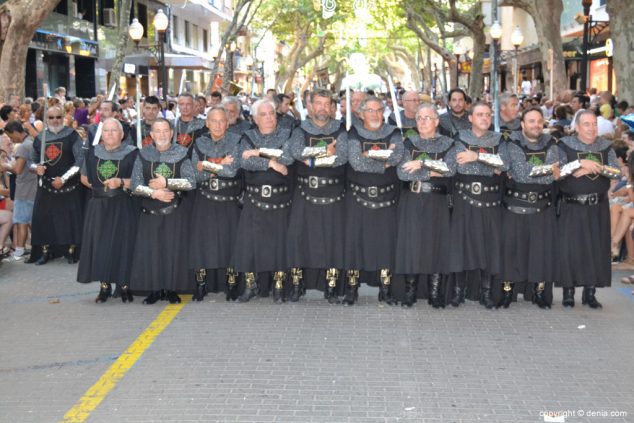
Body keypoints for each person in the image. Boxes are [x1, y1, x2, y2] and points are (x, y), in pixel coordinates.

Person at [287, 89, 348, 303]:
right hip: (305, 193)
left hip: (333, 195)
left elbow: (340, 158)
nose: (322, 108)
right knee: (298, 241)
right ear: (310, 106)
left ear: (332, 107)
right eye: (318, 103)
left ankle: (330, 287)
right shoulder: (298, 129)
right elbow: (296, 152)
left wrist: (311, 156)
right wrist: (324, 152)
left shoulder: (341, 130)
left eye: (326, 104)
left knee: (333, 243)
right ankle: (297, 285)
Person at [557, 110, 621, 309]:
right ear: (577, 127)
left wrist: (597, 167)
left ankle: (590, 293)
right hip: (572, 206)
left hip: (597, 207)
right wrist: (578, 165)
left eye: (594, 124)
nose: (592, 128)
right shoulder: (565, 146)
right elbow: (558, 172)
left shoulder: (605, 146)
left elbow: (616, 172)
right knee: (571, 250)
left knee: (595, 249)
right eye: (587, 124)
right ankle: (569, 292)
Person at [394, 103, 456, 308]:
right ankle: (410, 292)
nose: (422, 122)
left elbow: (449, 170)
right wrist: (434, 169)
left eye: (427, 118)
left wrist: (421, 164)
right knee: (412, 245)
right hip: (412, 199)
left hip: (436, 201)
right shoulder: (408, 142)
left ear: (437, 121)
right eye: (419, 118)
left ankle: (435, 293)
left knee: (436, 245)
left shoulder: (448, 143)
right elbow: (402, 173)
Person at [343, 96, 404, 306]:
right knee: (354, 245)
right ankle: (352, 289)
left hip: (386, 197)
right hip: (358, 197)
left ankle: (385, 289)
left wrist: (368, 153)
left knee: (386, 245)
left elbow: (397, 158)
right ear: (361, 113)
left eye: (379, 110)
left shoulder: (394, 132)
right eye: (370, 111)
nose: (375, 114)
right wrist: (382, 161)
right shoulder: (352, 133)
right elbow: (356, 162)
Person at [233, 98, 294, 303]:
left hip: (280, 200)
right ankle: (251, 286)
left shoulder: (287, 135)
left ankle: (278, 287)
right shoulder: (247, 137)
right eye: (264, 114)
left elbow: (287, 158)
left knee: (280, 246)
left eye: (272, 114)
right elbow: (244, 161)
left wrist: (258, 153)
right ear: (254, 118)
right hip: (254, 199)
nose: (269, 118)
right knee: (248, 246)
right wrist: (271, 163)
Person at [449, 101, 509, 308]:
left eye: (488, 115)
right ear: (471, 118)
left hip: (490, 201)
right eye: (480, 114)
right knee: (461, 247)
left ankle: (486, 293)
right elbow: (460, 167)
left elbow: (505, 164)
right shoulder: (459, 138)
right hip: (464, 199)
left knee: (488, 247)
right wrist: (490, 163)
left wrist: (475, 156)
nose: (485, 118)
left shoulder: (499, 139)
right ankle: (458, 291)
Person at [130, 118, 196, 304]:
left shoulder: (182, 153)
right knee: (153, 253)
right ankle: (155, 290)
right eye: (157, 131)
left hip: (174, 212)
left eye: (165, 130)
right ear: (151, 135)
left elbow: (191, 182)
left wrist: (167, 183)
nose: (162, 135)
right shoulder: (143, 154)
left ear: (171, 133)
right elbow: (135, 184)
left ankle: (171, 289)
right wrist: (154, 193)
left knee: (172, 252)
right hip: (150, 212)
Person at [499, 108, 559, 309]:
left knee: (541, 253)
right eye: (531, 121)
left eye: (539, 121)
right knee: (511, 253)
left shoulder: (551, 143)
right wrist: (548, 171)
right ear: (522, 124)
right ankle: (508, 293)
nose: (536, 125)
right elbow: (519, 173)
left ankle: (539, 293)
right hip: (515, 206)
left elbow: (556, 170)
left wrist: (546, 171)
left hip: (543, 207)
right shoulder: (512, 143)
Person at [77, 118, 139, 303]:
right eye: (106, 131)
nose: (110, 134)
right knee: (101, 245)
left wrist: (119, 184)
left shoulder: (133, 153)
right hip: (99, 207)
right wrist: (100, 189)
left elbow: (138, 181)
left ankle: (124, 285)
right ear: (101, 134)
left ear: (122, 134)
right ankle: (104, 286)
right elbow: (84, 178)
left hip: (123, 205)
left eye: (114, 131)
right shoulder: (92, 153)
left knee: (123, 244)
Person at [189, 107, 242, 301]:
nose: (218, 125)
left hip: (229, 201)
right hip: (205, 200)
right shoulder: (198, 143)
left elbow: (233, 171)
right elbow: (195, 174)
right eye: (214, 121)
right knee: (202, 245)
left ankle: (231, 285)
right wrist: (221, 163)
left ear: (227, 123)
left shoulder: (237, 141)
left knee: (230, 244)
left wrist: (208, 165)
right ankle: (201, 285)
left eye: (222, 121)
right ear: (207, 123)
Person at [31, 106, 85, 265]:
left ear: (64, 118)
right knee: (45, 220)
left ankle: (71, 251)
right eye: (52, 117)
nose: (55, 120)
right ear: (46, 119)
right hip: (47, 186)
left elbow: (80, 160)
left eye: (58, 117)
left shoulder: (73, 136)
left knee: (71, 220)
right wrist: (36, 168)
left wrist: (64, 178)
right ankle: (46, 251)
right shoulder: (40, 138)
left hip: (69, 185)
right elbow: (31, 162)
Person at [2, 121, 37, 261]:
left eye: (10, 136)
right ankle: (38, 248)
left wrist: (5, 166)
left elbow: (17, 169)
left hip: (24, 189)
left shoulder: (23, 146)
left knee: (22, 221)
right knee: (29, 221)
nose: (11, 140)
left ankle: (19, 252)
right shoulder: (31, 141)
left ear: (15, 132)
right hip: (31, 187)